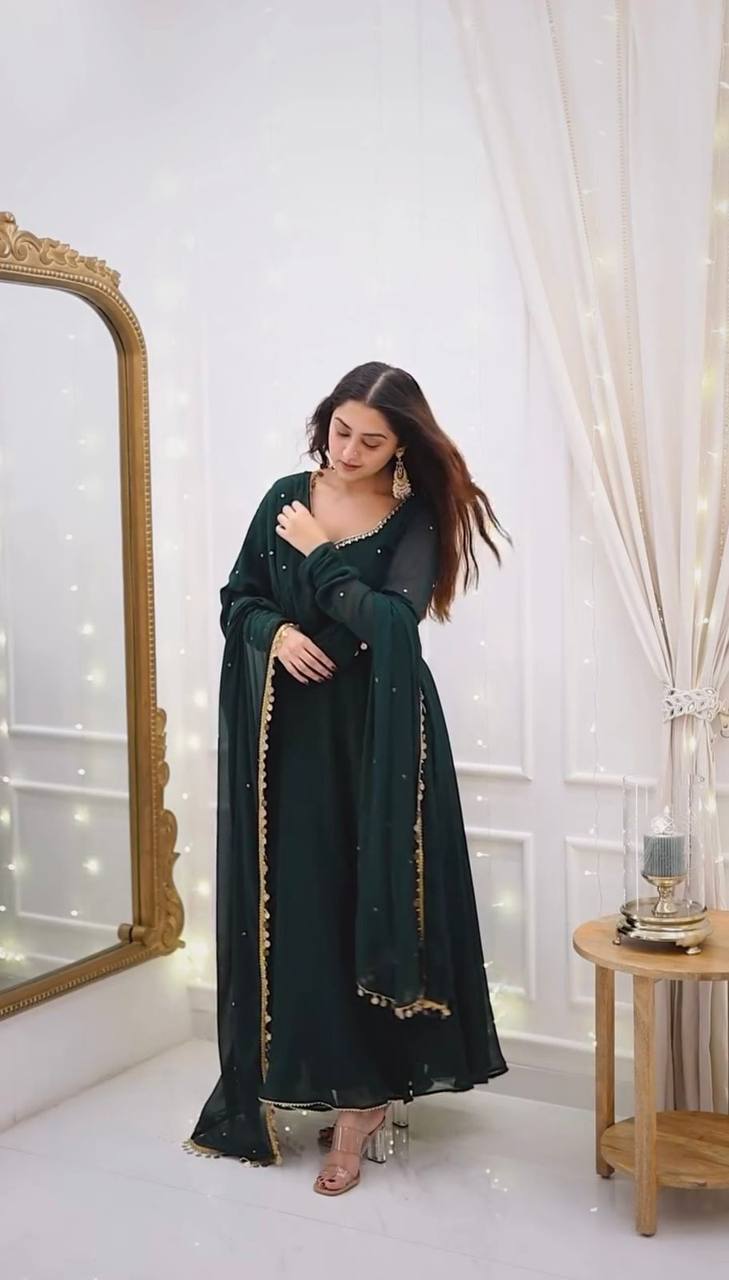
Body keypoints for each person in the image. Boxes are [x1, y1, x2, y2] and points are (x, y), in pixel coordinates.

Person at [183, 361, 510, 1195]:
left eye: (371, 440)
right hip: (287, 738)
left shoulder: (415, 516)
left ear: (401, 445)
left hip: (378, 738)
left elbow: (392, 625)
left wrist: (323, 558)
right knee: (301, 903)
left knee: (366, 898)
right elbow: (236, 597)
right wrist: (274, 633)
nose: (349, 451)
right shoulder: (284, 497)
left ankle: (362, 1106)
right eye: (340, 432)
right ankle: (316, 1074)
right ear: (322, 421)